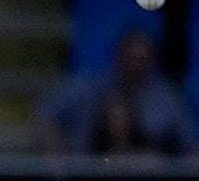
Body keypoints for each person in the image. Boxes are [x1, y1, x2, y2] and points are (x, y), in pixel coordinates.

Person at [33, 30, 196, 155]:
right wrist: (58, 153)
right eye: (131, 58)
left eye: (141, 59)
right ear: (119, 57)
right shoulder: (87, 89)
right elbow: (44, 118)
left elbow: (189, 146)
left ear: (152, 61)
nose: (136, 66)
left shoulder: (167, 98)